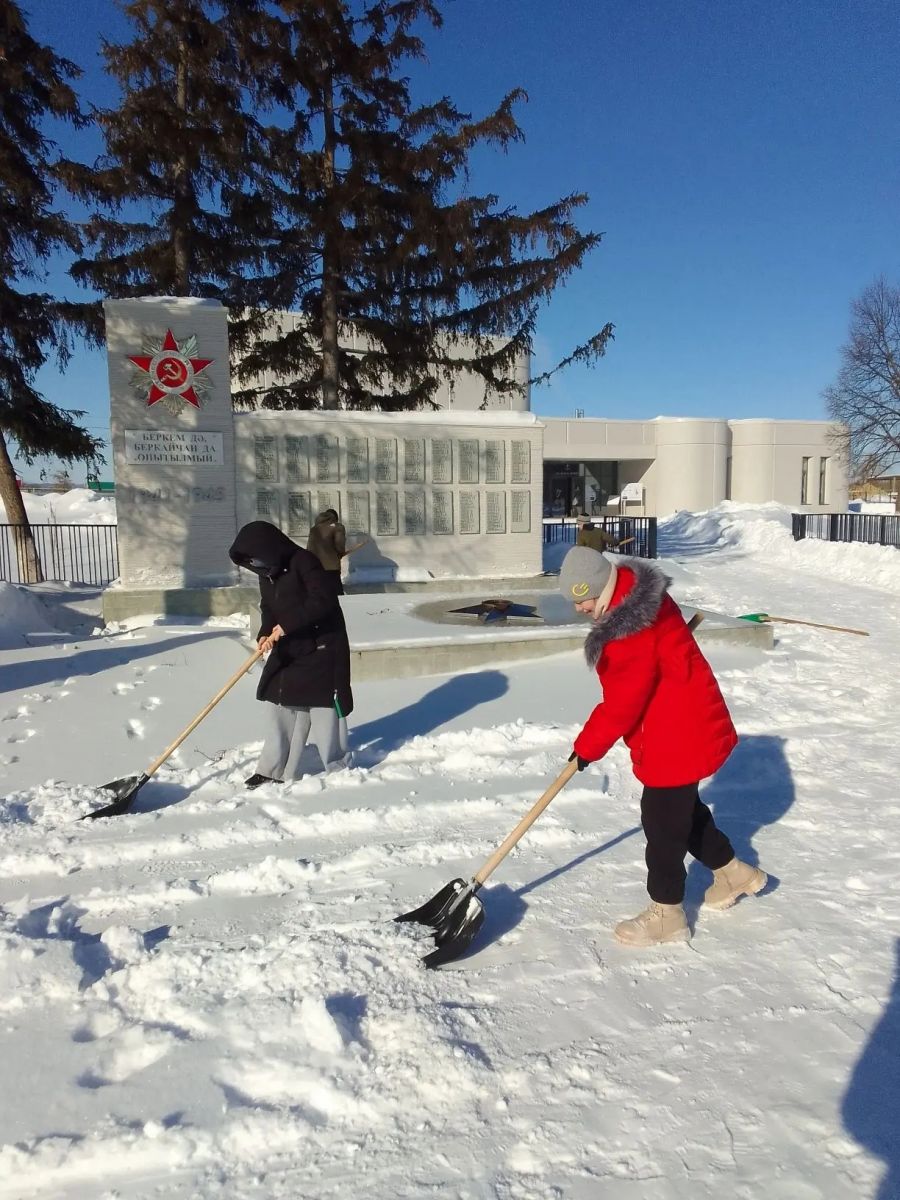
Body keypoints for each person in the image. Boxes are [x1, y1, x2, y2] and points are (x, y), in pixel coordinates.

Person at [559, 544, 767, 947]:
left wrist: (587, 747)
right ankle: (734, 873)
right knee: (681, 812)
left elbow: (623, 703)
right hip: (680, 721)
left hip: (675, 733)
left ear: (601, 585)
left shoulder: (629, 630)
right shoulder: (638, 598)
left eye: (582, 598)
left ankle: (667, 913)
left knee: (662, 824)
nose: (579, 608)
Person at [229, 520, 353, 789]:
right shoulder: (267, 572)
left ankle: (338, 767)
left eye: (256, 558)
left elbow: (323, 600)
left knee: (324, 710)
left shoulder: (304, 562)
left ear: (269, 548)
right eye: (250, 561)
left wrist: (286, 625)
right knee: (279, 701)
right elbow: (268, 606)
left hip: (322, 644)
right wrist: (265, 632)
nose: (255, 564)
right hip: (291, 645)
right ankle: (272, 769)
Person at [307, 508, 368, 594]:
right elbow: (340, 544)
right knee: (336, 593)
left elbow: (309, 548)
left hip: (314, 566)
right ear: (335, 518)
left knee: (319, 593)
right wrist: (340, 553)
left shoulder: (314, 529)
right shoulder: (338, 527)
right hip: (331, 567)